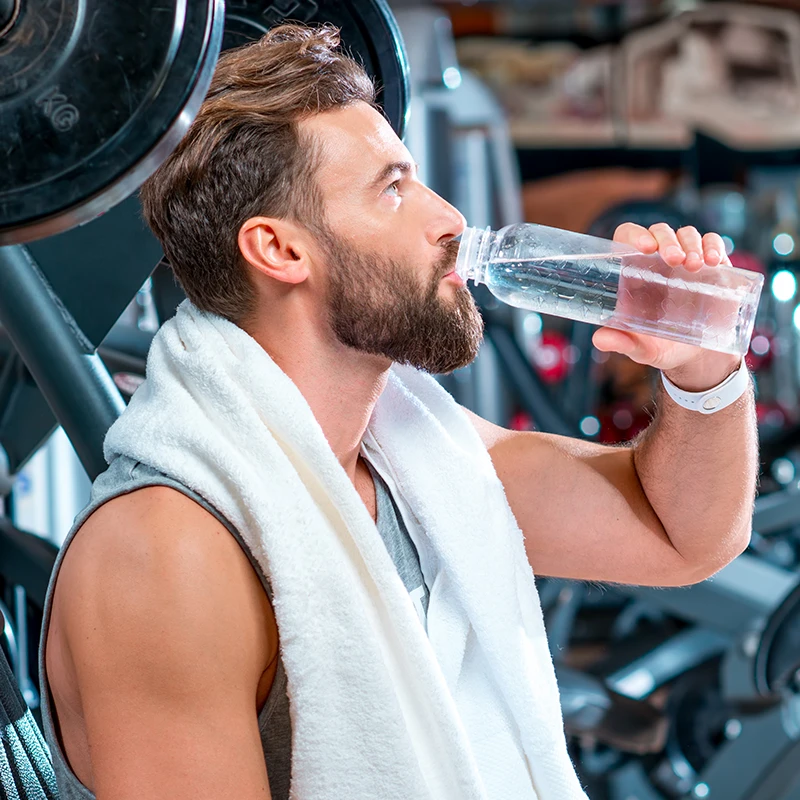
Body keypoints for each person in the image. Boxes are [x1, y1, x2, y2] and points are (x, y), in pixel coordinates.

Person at [40, 23, 758, 800]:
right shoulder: (167, 557)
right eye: (392, 189)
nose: (449, 217)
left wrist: (701, 372)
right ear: (280, 251)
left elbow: (680, 534)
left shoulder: (418, 459)